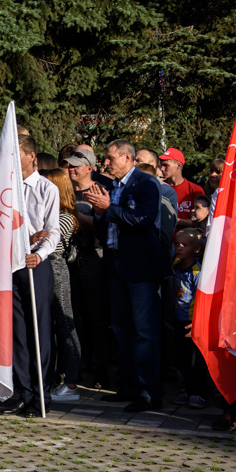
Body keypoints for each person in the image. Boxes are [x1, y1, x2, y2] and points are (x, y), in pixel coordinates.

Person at [85, 139, 168, 412]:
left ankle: (148, 391)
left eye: (109, 158)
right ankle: (128, 385)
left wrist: (108, 209)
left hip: (140, 268)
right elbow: (106, 224)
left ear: (126, 157)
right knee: (121, 328)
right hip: (115, 264)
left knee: (145, 330)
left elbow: (144, 220)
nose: (105, 163)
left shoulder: (146, 184)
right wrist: (99, 213)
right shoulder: (111, 186)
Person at [0, 135, 60, 416]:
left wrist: (39, 254)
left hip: (34, 264)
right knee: (17, 332)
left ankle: (41, 392)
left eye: (16, 153)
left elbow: (52, 230)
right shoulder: (4, 188)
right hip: (9, 265)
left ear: (31, 156)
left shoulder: (46, 188)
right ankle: (22, 391)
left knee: (39, 332)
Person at [64, 148, 112, 388]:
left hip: (93, 258)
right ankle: (76, 368)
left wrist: (75, 214)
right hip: (68, 259)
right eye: (69, 165)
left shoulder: (99, 191)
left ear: (90, 168)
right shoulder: (65, 190)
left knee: (96, 317)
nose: (71, 169)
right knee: (72, 317)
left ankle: (101, 371)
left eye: (76, 165)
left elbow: (103, 230)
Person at [41, 168, 82, 402]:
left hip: (56, 268)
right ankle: (52, 377)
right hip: (41, 268)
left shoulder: (65, 218)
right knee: (47, 326)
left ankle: (72, 382)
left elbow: (48, 239)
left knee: (65, 324)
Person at [170, 228, 210, 409]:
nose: (179, 248)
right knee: (181, 357)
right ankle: (186, 389)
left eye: (185, 245)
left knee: (196, 360)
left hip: (192, 322)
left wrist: (197, 322)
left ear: (197, 249)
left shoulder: (197, 271)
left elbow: (202, 298)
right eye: (177, 244)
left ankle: (199, 393)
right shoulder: (177, 265)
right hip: (178, 320)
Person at [159, 148, 204, 230]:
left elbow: (200, 221)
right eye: (161, 165)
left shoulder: (194, 190)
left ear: (178, 166)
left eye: (166, 165)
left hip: (185, 240)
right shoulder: (159, 186)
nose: (161, 169)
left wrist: (175, 220)